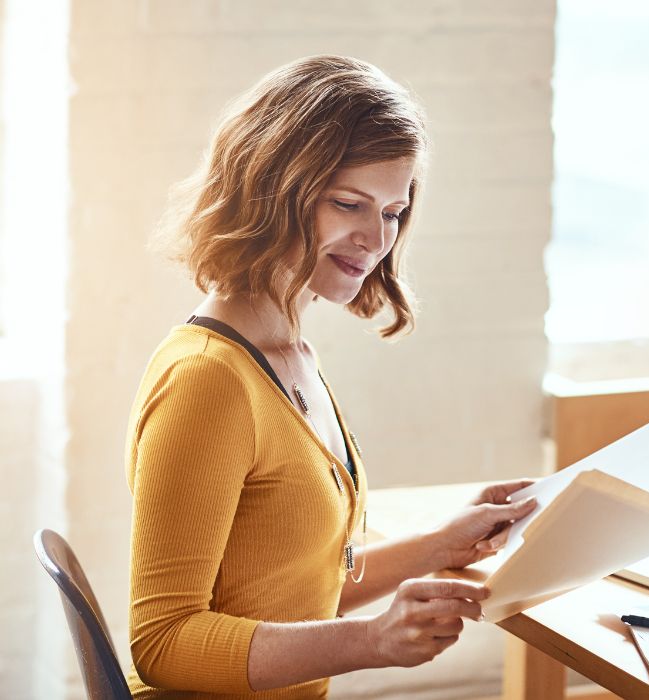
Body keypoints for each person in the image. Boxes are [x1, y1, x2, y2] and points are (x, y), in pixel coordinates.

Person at [125, 55, 537, 699]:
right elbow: (164, 643)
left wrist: (441, 545)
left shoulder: (290, 354)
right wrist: (371, 641)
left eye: (394, 212)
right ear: (274, 188)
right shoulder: (207, 379)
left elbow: (299, 584)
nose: (376, 238)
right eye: (350, 203)